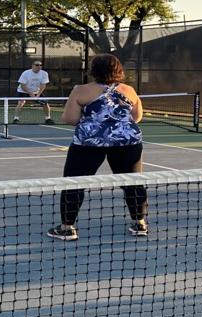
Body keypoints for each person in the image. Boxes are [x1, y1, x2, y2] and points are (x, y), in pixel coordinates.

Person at [46, 54, 148, 241]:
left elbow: (70, 119)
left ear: (94, 70)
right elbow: (137, 116)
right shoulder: (129, 90)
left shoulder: (80, 90)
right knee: (133, 183)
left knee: (74, 183)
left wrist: (95, 123)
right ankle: (140, 224)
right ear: (118, 70)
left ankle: (67, 228)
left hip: (89, 144)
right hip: (128, 142)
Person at [14, 60, 53, 124]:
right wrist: (30, 93)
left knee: (45, 103)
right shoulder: (26, 73)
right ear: (32, 66)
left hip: (36, 91)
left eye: (40, 65)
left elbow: (43, 85)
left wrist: (38, 94)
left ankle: (48, 118)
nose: (39, 66)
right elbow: (23, 85)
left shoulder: (44, 73)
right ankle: (16, 119)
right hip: (23, 90)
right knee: (21, 102)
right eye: (37, 65)